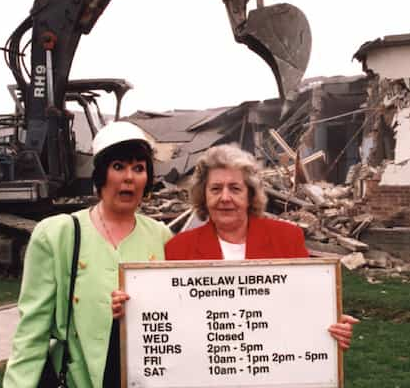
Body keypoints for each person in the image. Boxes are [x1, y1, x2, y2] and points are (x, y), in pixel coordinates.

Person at [114, 144, 358, 349]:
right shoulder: (179, 249)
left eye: (235, 188)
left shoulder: (287, 239)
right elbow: (167, 320)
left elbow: (306, 309)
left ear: (250, 195)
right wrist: (132, 309)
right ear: (203, 195)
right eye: (215, 189)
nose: (225, 198)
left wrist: (331, 328)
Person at [4, 121, 172, 388]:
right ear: (100, 175)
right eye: (118, 167)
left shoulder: (161, 237)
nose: (129, 177)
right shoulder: (58, 234)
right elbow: (31, 329)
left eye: (139, 168)